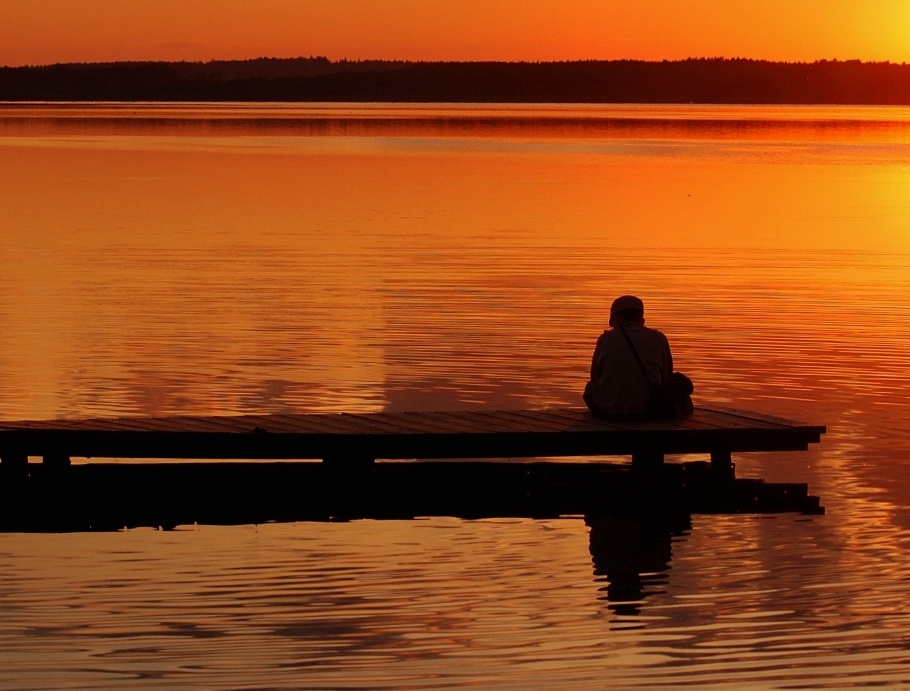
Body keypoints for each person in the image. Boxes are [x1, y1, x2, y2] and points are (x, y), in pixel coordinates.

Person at [583, 295, 694, 419]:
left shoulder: (605, 339)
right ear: (642, 320)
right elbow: (665, 377)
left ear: (617, 318)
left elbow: (595, 378)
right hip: (649, 410)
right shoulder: (658, 337)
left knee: (589, 389)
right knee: (680, 380)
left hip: (610, 412)